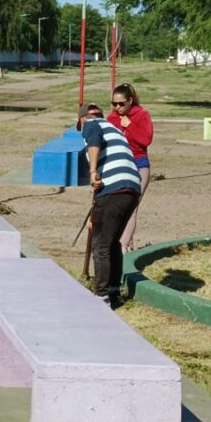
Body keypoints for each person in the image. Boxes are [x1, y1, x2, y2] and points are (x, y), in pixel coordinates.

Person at [78, 103, 141, 308]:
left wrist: (93, 171)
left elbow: (94, 140)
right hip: (131, 187)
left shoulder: (91, 123)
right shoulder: (114, 129)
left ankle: (102, 296)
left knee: (101, 244)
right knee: (112, 241)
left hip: (113, 187)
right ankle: (113, 292)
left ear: (81, 120)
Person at [106, 83, 153, 253]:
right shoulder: (111, 118)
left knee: (132, 207)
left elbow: (146, 140)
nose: (117, 108)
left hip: (139, 166)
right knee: (118, 207)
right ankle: (127, 245)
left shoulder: (142, 115)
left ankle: (123, 246)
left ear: (130, 101)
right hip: (119, 167)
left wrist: (130, 125)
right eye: (114, 104)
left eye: (121, 104)